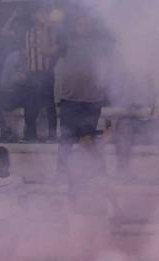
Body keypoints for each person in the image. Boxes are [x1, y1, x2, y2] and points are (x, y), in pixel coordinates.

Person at [55, 10, 110, 180]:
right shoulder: (67, 43)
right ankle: (61, 173)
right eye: (81, 23)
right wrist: (48, 26)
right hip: (69, 100)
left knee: (88, 140)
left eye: (87, 24)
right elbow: (47, 52)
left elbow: (108, 68)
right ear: (75, 25)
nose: (84, 27)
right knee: (66, 139)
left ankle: (94, 174)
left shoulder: (100, 45)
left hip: (92, 101)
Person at [0, 48, 34, 142]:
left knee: (33, 95)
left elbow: (38, 84)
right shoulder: (13, 58)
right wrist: (17, 79)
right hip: (10, 93)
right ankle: (5, 130)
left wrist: (27, 79)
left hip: (28, 93)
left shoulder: (36, 58)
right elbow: (4, 83)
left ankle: (30, 132)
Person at [24, 3, 58, 141]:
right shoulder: (28, 32)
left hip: (46, 73)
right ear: (33, 16)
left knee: (49, 104)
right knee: (31, 104)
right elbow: (27, 53)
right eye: (39, 13)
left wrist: (46, 27)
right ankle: (30, 134)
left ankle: (52, 134)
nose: (42, 16)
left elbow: (51, 52)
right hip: (32, 73)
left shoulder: (51, 32)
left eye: (44, 13)